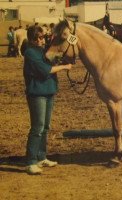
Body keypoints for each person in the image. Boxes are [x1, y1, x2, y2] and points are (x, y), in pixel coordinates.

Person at [23, 25, 72, 175]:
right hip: (37, 93)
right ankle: (31, 161)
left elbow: (52, 60)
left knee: (45, 127)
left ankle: (41, 157)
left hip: (48, 91)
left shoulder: (43, 51)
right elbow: (46, 70)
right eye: (39, 38)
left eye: (43, 37)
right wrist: (64, 67)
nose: (42, 40)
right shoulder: (30, 53)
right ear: (33, 39)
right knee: (37, 127)